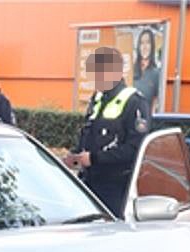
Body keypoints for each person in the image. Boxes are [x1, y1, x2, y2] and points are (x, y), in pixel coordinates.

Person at [64, 46, 151, 216]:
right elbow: (87, 134)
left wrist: (94, 158)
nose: (94, 78)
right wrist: (74, 156)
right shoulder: (97, 99)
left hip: (115, 188)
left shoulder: (134, 101)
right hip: (89, 183)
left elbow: (136, 149)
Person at [133, 28, 160, 111]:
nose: (144, 47)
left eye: (148, 42)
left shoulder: (156, 74)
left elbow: (155, 103)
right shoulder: (131, 70)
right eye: (141, 43)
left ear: (152, 46)